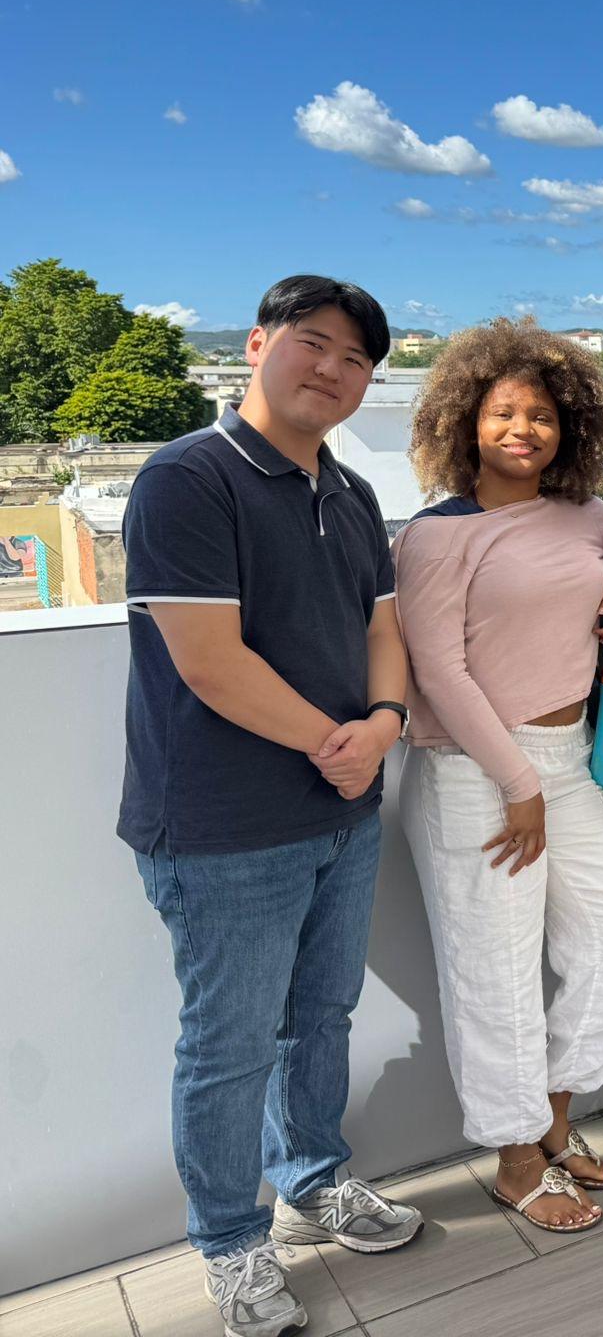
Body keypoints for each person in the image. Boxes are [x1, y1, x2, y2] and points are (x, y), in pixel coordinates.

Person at [120, 276, 422, 1337]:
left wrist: (382, 724)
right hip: (220, 825)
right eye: (313, 343)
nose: (332, 370)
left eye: (355, 359)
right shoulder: (186, 479)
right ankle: (230, 1244)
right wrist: (334, 747)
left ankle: (313, 1180)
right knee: (228, 1042)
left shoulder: (347, 489)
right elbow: (207, 661)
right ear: (257, 345)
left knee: (320, 1019)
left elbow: (385, 626)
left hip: (339, 809)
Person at [394, 320, 603, 1233]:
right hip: (477, 771)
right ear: (464, 421)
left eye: (543, 414)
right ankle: (514, 1157)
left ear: (572, 426)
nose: (525, 429)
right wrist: (514, 782)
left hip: (564, 763)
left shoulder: (590, 515)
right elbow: (437, 668)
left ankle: (552, 1113)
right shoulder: (438, 535)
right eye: (504, 412)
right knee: (496, 970)